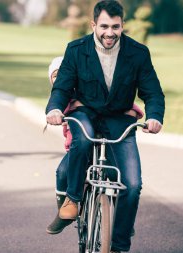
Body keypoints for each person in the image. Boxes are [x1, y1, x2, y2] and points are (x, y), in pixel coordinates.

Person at [45, 1, 165, 252]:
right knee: (84, 139)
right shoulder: (76, 49)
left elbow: (153, 92)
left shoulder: (138, 53)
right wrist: (54, 108)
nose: (109, 32)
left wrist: (155, 116)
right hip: (85, 113)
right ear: (93, 25)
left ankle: (119, 246)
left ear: (122, 25)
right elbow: (62, 86)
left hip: (120, 119)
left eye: (115, 26)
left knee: (132, 185)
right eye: (104, 26)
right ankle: (73, 199)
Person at [45, 56, 144, 235]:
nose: (60, 79)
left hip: (106, 141)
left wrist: (132, 112)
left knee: (117, 176)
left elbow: (125, 105)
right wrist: (56, 113)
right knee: (62, 172)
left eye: (63, 75)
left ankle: (121, 218)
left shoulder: (91, 91)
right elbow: (60, 103)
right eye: (55, 77)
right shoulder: (65, 100)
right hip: (80, 151)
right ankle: (65, 212)